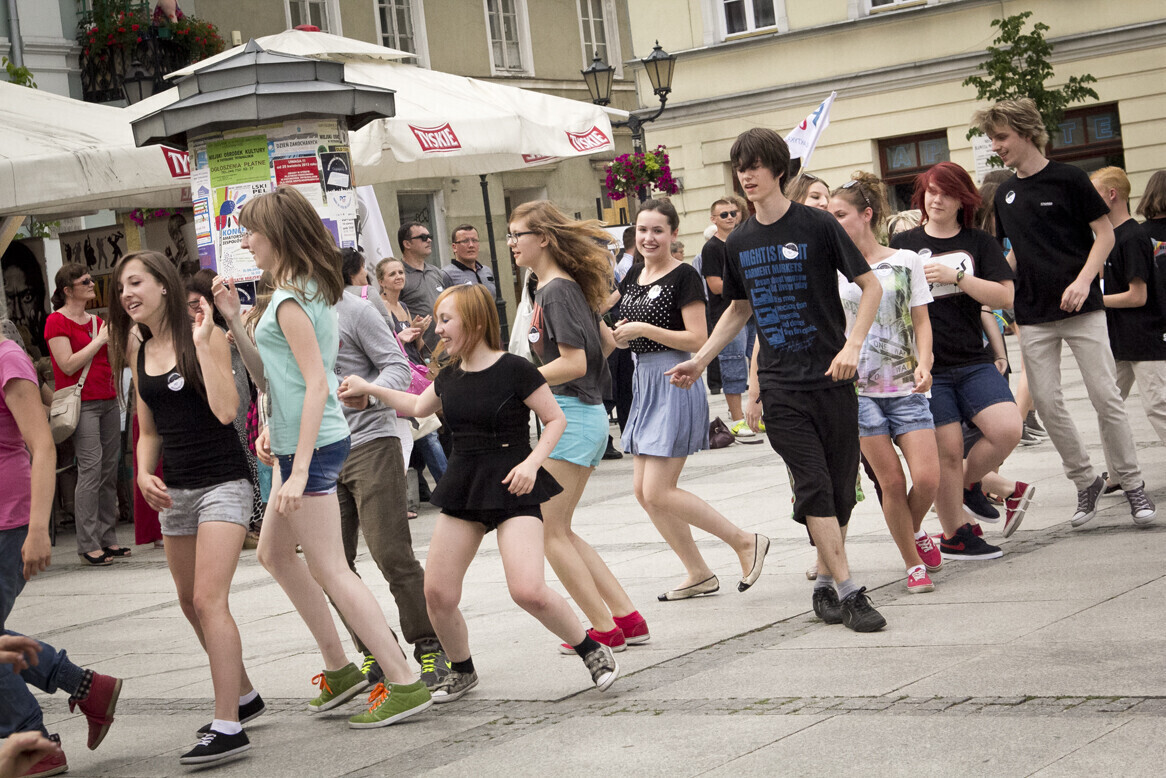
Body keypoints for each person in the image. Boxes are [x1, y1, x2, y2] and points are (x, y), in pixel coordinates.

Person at [213, 186, 432, 729]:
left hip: (314, 444)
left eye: (252, 232)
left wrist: (300, 466)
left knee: (331, 568)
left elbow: (316, 385)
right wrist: (271, 429)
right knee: (276, 555)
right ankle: (341, 668)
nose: (247, 241)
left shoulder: (291, 299)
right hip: (301, 440)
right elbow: (279, 379)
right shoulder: (304, 290)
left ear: (277, 235)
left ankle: (401, 679)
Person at [339, 284, 620, 701]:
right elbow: (417, 407)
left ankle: (590, 648)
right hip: (465, 484)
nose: (438, 328)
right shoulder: (449, 376)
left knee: (527, 589)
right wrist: (370, 387)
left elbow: (555, 420)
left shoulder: (515, 369)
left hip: (513, 484)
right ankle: (462, 668)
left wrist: (531, 464)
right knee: (437, 592)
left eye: (446, 319)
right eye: (438, 319)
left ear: (473, 321)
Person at [667, 128, 887, 632]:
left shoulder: (817, 225)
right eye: (740, 167)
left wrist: (853, 346)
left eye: (756, 165)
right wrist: (701, 360)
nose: (746, 175)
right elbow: (740, 309)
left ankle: (824, 585)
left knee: (839, 487)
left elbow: (869, 286)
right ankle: (851, 590)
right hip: (781, 385)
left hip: (832, 376)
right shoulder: (738, 241)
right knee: (812, 483)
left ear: (778, 170)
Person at [106, 251, 261, 765]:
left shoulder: (204, 333)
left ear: (164, 286)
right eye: (122, 286)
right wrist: (143, 472)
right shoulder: (138, 346)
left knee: (209, 599)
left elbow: (226, 410)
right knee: (189, 602)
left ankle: (227, 725)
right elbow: (148, 430)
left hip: (223, 482)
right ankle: (243, 695)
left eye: (136, 282)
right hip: (178, 488)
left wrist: (202, 342)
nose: (127, 293)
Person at [973, 98, 1155, 526]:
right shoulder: (1006, 194)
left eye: (1001, 137)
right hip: (1033, 315)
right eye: (992, 138)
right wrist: (999, 284)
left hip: (1083, 308)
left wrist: (1084, 280)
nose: (996, 145)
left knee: (1106, 397)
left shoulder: (1070, 179)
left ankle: (1131, 484)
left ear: (1026, 132)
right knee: (1049, 405)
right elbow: (1016, 250)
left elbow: (1105, 233)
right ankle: (1085, 481)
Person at [508, 200, 650, 653]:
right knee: (561, 530)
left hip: (570, 418)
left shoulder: (554, 291)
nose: (511, 243)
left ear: (543, 239)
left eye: (518, 235)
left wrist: (517, 381)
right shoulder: (556, 287)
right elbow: (606, 343)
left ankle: (604, 629)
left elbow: (576, 361)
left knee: (549, 531)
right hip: (579, 416)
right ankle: (626, 619)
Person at [612, 198, 768, 602]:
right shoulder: (632, 274)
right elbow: (622, 331)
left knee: (660, 490)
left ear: (673, 233)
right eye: (643, 230)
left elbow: (698, 338)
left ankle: (745, 541)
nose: (649, 238)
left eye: (658, 230)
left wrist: (645, 326)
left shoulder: (684, 276)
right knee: (643, 492)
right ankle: (698, 572)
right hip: (643, 378)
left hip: (676, 377)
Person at [892, 161, 1032, 561]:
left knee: (1008, 428)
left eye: (947, 192)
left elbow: (1004, 297)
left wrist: (958, 278)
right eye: (931, 191)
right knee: (947, 451)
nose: (937, 199)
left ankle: (971, 486)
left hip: (972, 360)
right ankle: (954, 534)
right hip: (927, 367)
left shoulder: (978, 242)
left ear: (962, 200)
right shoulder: (903, 243)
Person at [2, 325, 122, 777]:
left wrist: (38, 528)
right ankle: (86, 687)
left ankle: (32, 742)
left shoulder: (7, 359)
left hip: (9, 519)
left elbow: (42, 445)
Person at [333, 254, 451, 687]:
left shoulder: (356, 310)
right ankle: (376, 653)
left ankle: (430, 647)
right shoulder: (286, 316)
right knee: (332, 566)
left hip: (369, 442)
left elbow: (399, 368)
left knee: (390, 553)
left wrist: (371, 394)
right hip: (319, 451)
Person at [830, 173, 939, 592]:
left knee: (927, 478)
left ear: (866, 215)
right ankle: (913, 564)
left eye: (841, 215)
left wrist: (926, 363)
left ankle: (910, 531)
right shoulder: (832, 271)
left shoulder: (905, 260)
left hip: (907, 385)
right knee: (890, 482)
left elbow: (922, 321)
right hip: (857, 391)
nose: (834, 222)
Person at [1091, 166, 1165, 508]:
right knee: (1108, 406)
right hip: (1117, 340)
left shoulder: (1133, 237)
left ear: (1111, 195)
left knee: (1158, 407)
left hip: (1145, 338)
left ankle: (1119, 473)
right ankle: (1118, 474)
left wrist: (1093, 300)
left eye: (1094, 191)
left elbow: (1138, 296)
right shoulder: (1106, 237)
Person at [44, 263, 126, 566]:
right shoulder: (56, 322)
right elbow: (66, 365)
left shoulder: (97, 321)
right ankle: (88, 543)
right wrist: (100, 341)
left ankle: (108, 538)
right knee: (90, 469)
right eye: (86, 281)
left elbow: (110, 359)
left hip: (108, 397)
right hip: (84, 402)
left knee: (109, 468)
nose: (93, 284)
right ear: (68, 290)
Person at [186, 269, 264, 533]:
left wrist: (236, 330)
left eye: (201, 302)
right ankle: (249, 520)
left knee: (251, 454)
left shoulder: (229, 323)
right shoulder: (192, 334)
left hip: (242, 396)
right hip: (218, 405)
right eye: (191, 303)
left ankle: (256, 519)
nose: (196, 308)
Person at [374, 257, 447, 506]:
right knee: (428, 434)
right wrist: (402, 337)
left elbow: (412, 348)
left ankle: (423, 491)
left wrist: (416, 331)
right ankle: (447, 488)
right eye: (392, 274)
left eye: (400, 272)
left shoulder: (403, 305)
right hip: (399, 378)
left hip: (414, 373)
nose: (398, 277)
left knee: (423, 435)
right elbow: (384, 347)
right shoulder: (380, 307)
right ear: (381, 281)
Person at [700, 198, 753, 437]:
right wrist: (749, 284)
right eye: (724, 215)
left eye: (733, 213)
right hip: (727, 313)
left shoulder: (742, 241)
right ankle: (737, 418)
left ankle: (756, 413)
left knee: (758, 364)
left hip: (752, 310)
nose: (730, 217)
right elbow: (715, 285)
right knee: (733, 364)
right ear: (713, 219)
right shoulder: (711, 248)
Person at [397, 221, 451, 351]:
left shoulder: (437, 272)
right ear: (407, 244)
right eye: (423, 237)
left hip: (446, 351)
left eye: (429, 236)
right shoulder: (398, 276)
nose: (429, 240)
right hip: (421, 357)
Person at [441, 224, 497, 296]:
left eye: (474, 240)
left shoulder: (486, 271)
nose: (471, 245)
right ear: (454, 247)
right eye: (465, 241)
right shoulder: (446, 275)